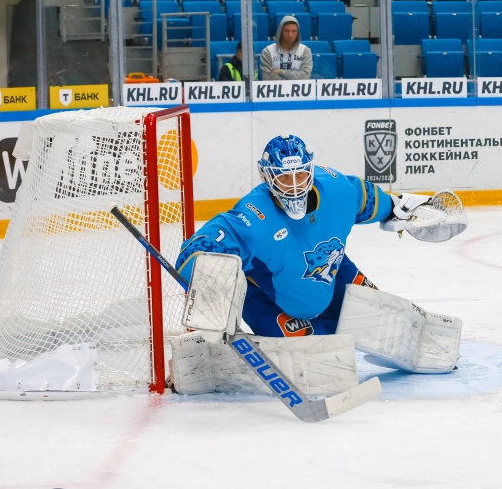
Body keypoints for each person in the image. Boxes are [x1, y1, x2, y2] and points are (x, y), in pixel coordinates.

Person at [172, 135, 465, 384]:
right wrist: (207, 279)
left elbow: (368, 199)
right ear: (267, 176)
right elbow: (196, 250)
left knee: (389, 320)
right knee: (319, 365)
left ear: (310, 170)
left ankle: (426, 349)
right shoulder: (252, 217)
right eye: (284, 177)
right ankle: (213, 363)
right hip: (270, 298)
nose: (295, 185)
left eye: (300, 174)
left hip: (332, 274)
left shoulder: (338, 190)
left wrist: (401, 208)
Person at [260, 16, 312, 81]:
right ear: (280, 32)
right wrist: (292, 79)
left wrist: (281, 72)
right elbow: (267, 78)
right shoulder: (267, 51)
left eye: (294, 31)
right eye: (286, 31)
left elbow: (305, 76)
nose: (290, 35)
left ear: (298, 33)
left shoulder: (305, 51)